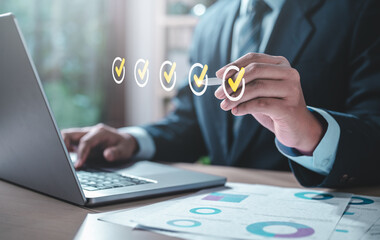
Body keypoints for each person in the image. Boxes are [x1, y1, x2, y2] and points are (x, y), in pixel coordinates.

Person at [62, 0, 380, 188]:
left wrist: (309, 132)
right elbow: (193, 122)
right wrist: (130, 140)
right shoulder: (211, 21)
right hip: (219, 209)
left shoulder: (360, 11)